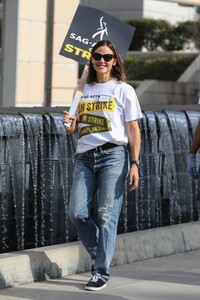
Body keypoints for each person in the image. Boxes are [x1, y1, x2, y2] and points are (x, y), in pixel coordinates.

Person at [62, 40, 143, 291]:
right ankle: (100, 252)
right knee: (76, 213)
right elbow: (78, 129)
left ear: (115, 61)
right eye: (97, 56)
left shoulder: (124, 90)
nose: (102, 60)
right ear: (91, 59)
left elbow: (132, 129)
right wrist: (71, 125)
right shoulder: (82, 89)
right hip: (85, 156)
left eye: (107, 57)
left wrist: (134, 163)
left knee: (107, 215)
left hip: (113, 156)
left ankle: (101, 272)